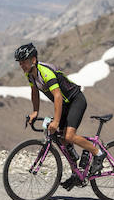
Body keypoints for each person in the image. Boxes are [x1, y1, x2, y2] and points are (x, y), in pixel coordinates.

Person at [14, 43, 105, 185]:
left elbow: (57, 96)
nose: (22, 65)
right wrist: (35, 111)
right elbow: (34, 92)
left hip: (76, 100)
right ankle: (77, 172)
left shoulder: (45, 72)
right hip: (65, 104)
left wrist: (56, 122)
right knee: (60, 138)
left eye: (24, 62)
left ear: (33, 60)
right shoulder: (29, 74)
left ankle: (98, 153)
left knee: (69, 135)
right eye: (20, 63)